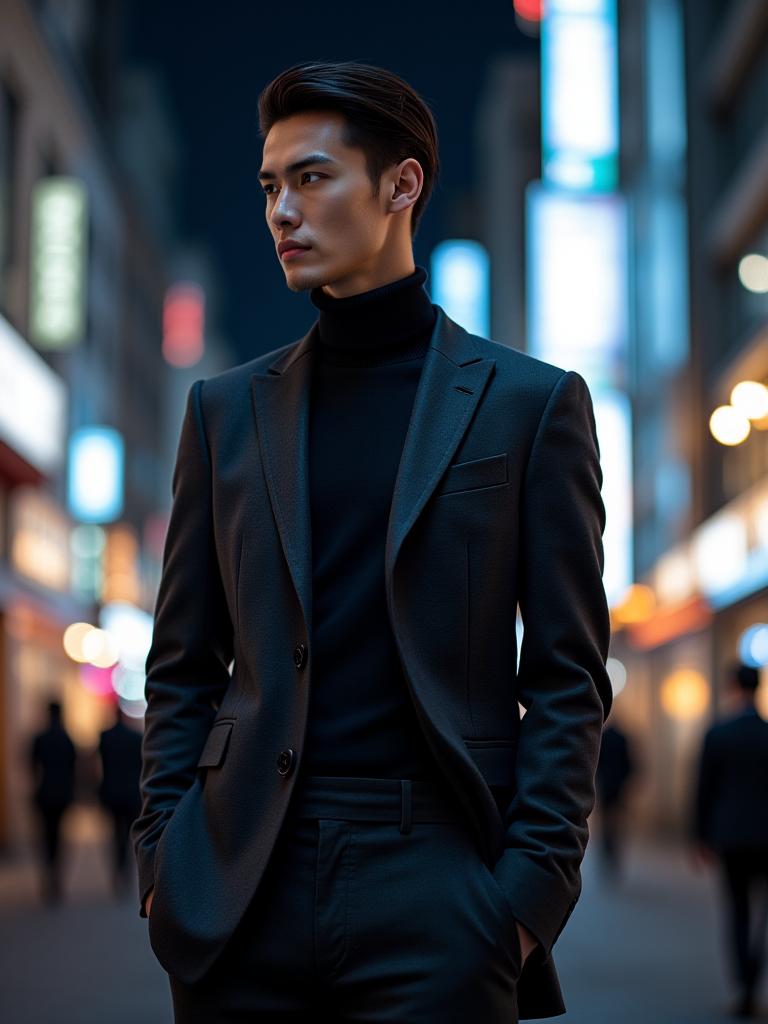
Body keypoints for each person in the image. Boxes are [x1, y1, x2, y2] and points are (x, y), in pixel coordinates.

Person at [131, 60, 612, 1022]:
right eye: (270, 186)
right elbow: (183, 663)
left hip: (439, 885)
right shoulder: (224, 412)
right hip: (239, 885)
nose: (281, 211)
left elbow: (569, 674)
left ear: (401, 185)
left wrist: (525, 900)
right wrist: (160, 866)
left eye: (311, 178)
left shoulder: (530, 405)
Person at [691, 661, 768, 1019]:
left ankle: (743, 982)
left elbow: (703, 790)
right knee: (762, 913)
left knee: (737, 909)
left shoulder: (719, 733)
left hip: (731, 835)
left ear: (733, 686)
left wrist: (700, 837)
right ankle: (754, 974)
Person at [29, 699, 77, 905]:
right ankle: (56, 874)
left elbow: (32, 766)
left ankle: (48, 871)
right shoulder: (66, 739)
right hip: (62, 794)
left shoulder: (40, 739)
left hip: (45, 793)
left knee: (46, 835)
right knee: (58, 834)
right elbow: (73, 767)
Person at [97, 704, 143, 897]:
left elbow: (101, 765)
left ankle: (118, 868)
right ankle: (126, 870)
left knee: (116, 832)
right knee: (129, 833)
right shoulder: (135, 737)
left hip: (112, 792)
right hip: (131, 793)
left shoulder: (105, 737)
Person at [595, 715, 636, 880]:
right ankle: (614, 849)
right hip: (619, 787)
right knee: (617, 820)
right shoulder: (622, 738)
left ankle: (606, 848)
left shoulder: (604, 737)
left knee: (606, 820)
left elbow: (596, 762)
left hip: (606, 786)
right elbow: (629, 763)